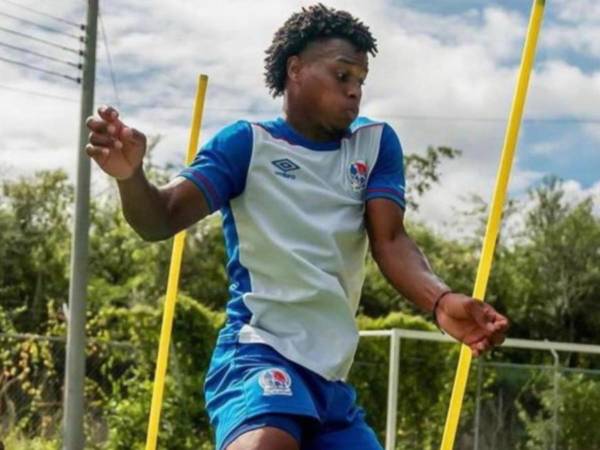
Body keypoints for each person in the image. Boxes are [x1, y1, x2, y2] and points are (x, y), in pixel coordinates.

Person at [85, 4, 508, 450]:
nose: (354, 91)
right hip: (257, 352)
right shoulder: (247, 145)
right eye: (342, 75)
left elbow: (391, 239)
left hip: (330, 381)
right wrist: (131, 178)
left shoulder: (374, 144)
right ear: (295, 69)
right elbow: (161, 218)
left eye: (361, 80)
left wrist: (440, 300)